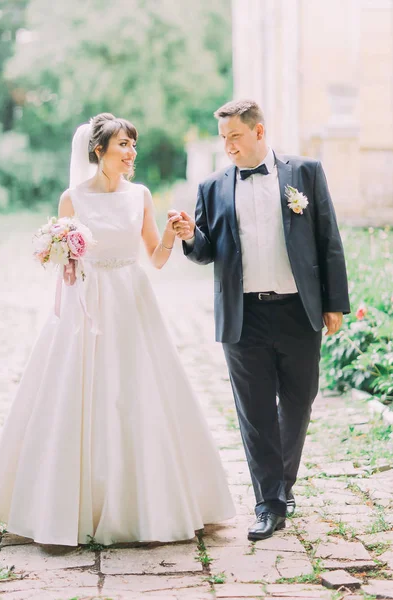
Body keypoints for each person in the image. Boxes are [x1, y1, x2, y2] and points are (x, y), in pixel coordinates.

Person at [0, 113, 235, 546]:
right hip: (88, 306)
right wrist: (63, 256)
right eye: (123, 146)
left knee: (139, 395)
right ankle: (65, 506)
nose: (131, 153)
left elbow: (154, 257)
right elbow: (64, 266)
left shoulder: (141, 196)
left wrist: (174, 233)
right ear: (99, 151)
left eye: (133, 145)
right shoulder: (72, 199)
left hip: (132, 302)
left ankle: (149, 506)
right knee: (77, 396)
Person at [173, 100, 350, 541]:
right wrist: (191, 237)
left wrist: (335, 304)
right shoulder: (212, 186)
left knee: (298, 401)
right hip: (243, 315)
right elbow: (205, 250)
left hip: (298, 309)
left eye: (234, 135)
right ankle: (269, 502)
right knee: (255, 413)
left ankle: (281, 484)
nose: (228, 145)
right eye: (223, 138)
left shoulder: (304, 173)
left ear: (258, 132)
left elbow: (328, 239)